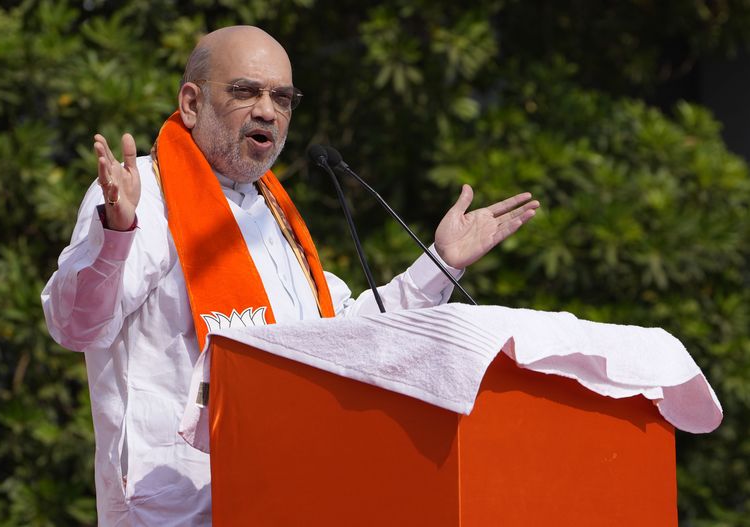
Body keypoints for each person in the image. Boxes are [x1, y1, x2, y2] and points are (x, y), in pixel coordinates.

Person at [41, 25, 539, 526]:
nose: (267, 110)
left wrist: (441, 263)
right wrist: (116, 234)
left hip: (283, 498)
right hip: (171, 510)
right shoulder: (139, 194)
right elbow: (75, 326)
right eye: (245, 91)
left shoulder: (275, 216)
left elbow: (348, 336)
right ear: (191, 103)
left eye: (282, 97)